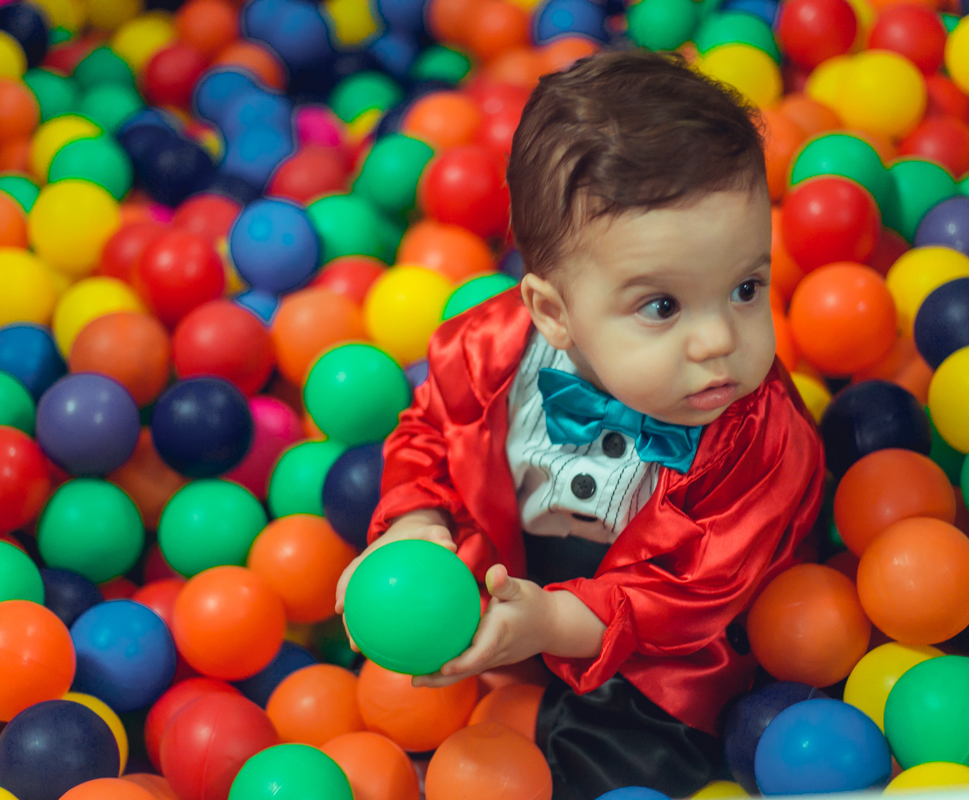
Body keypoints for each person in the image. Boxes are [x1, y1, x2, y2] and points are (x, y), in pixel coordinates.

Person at [336, 49, 825, 800]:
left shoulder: (760, 439)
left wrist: (557, 624)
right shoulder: (487, 354)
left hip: (665, 645)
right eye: (662, 306)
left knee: (636, 766)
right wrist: (415, 526)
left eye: (746, 287)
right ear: (552, 313)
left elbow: (697, 590)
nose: (720, 341)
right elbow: (427, 436)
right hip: (508, 570)